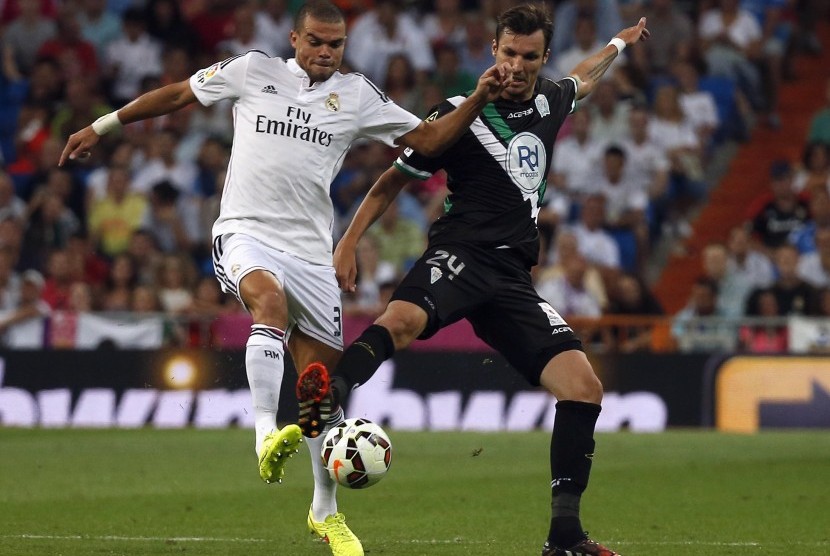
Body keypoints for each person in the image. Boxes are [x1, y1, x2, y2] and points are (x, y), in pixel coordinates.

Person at [58, 2, 513, 555]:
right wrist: (102, 125)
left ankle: (325, 513)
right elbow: (178, 94)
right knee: (267, 305)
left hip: (311, 253)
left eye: (336, 45)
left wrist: (480, 98)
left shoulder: (359, 97)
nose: (326, 52)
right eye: (316, 41)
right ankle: (264, 435)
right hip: (245, 231)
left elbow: (431, 141)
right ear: (295, 38)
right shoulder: (254, 69)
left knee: (322, 392)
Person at [295, 5, 649, 556]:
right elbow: (393, 179)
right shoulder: (457, 112)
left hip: (511, 276)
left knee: (584, 389)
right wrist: (348, 242)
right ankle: (332, 394)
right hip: (462, 253)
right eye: (509, 53)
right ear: (493, 50)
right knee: (404, 319)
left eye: (529, 57)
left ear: (542, 59)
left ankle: (564, 537)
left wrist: (620, 45)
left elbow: (586, 75)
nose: (517, 65)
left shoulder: (551, 100)